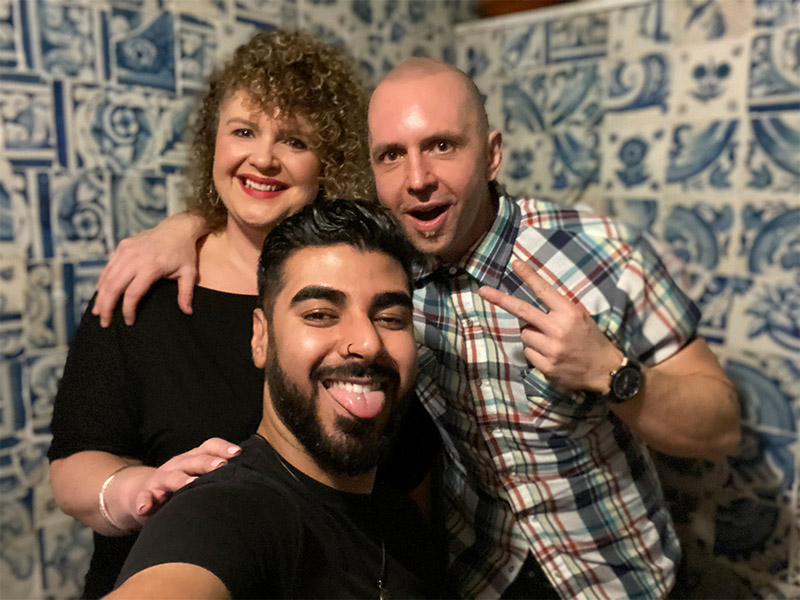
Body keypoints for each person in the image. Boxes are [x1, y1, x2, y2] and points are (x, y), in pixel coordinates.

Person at [91, 58, 741, 599]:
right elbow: (275, 209)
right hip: (479, 579)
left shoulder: (599, 252)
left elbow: (719, 428)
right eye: (391, 155)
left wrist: (610, 373)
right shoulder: (383, 273)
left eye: (441, 145)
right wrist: (182, 227)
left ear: (490, 154)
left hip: (618, 578)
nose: (418, 177)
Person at [47, 29, 376, 599]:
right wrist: (139, 491)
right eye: (244, 131)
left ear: (330, 162)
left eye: (294, 141)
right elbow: (73, 464)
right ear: (213, 144)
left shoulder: (356, 290)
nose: (264, 158)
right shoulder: (145, 285)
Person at [107, 199, 445, 599]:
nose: (367, 343)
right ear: (261, 337)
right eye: (320, 314)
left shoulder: (402, 520)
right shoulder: (223, 514)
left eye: (390, 319)